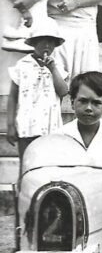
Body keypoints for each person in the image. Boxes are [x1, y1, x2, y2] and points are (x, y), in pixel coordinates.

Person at [6, 20, 69, 168]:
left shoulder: (58, 66)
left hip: (50, 129)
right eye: (42, 41)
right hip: (27, 128)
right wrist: (10, 125)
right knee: (27, 167)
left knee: (48, 167)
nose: (47, 46)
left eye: (51, 42)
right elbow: (12, 97)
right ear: (34, 43)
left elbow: (63, 91)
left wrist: (53, 69)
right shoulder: (22, 65)